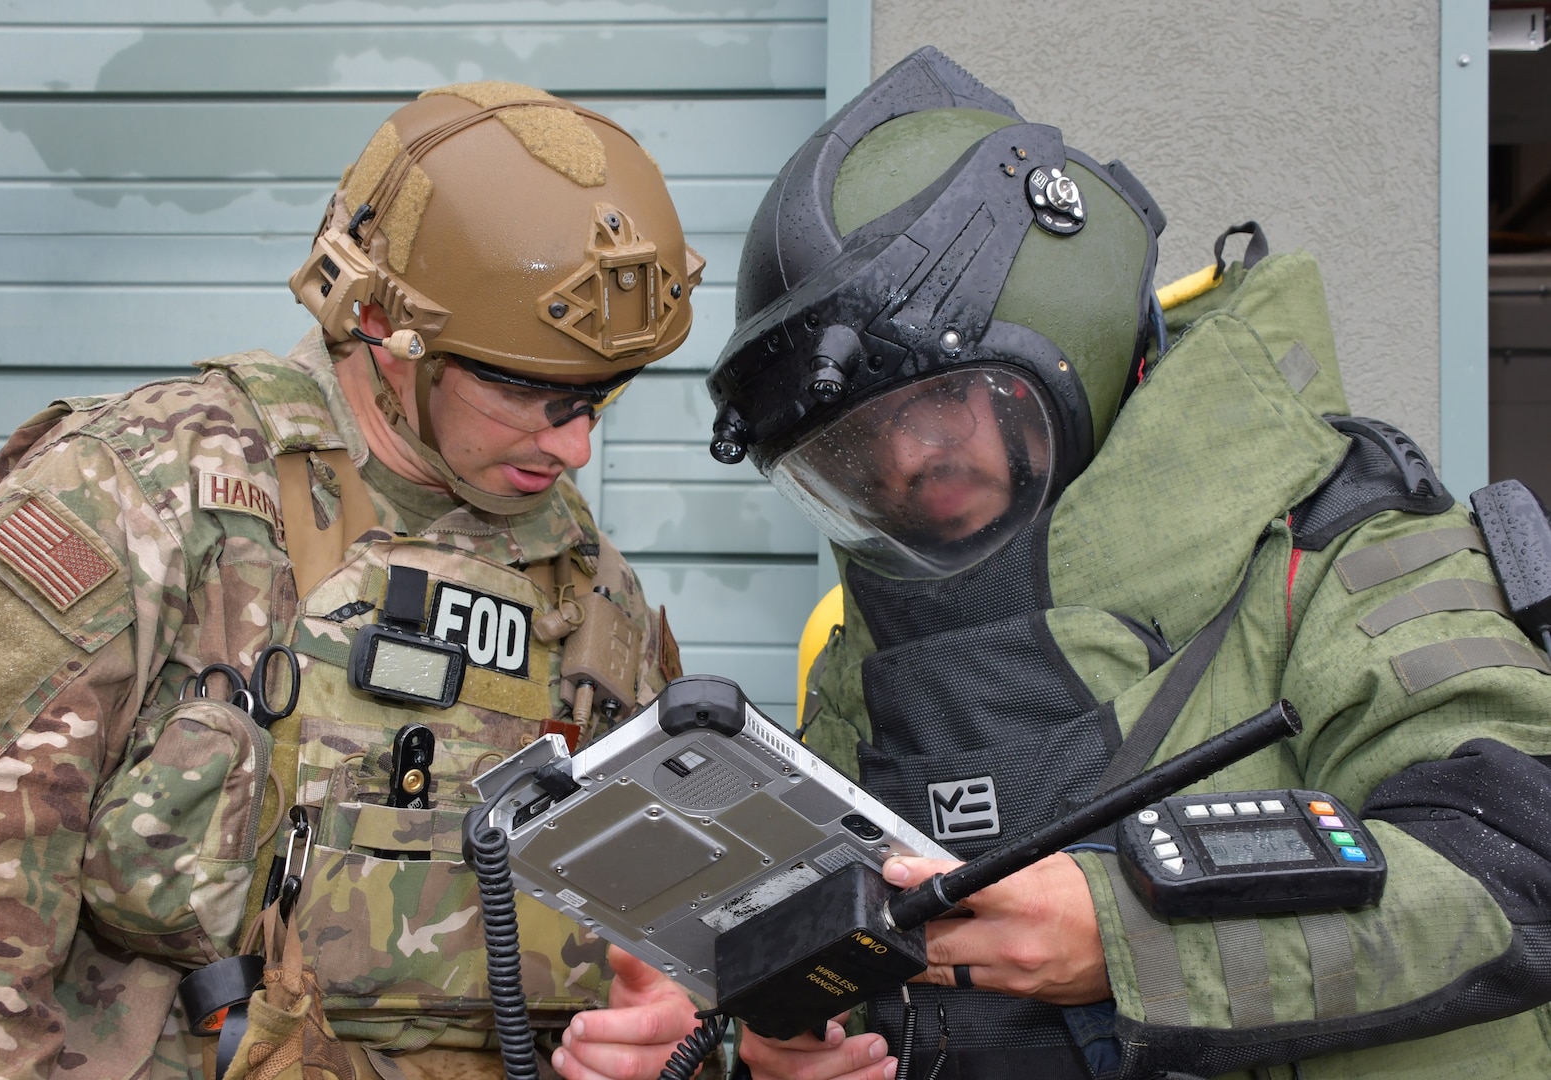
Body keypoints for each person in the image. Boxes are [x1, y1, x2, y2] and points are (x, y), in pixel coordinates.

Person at [556, 47, 1551, 1080]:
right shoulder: (869, 656)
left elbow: (1517, 869)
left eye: (938, 402)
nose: (905, 463)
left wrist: (1126, 940)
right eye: (856, 446)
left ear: (1065, 326)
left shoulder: (1339, 548)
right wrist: (758, 1054)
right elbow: (871, 1003)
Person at [0, 81, 703, 1080]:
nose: (576, 444)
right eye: (528, 388)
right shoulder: (143, 499)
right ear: (379, 323)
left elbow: (666, 946)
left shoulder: (590, 594)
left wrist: (658, 1032)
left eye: (601, 396)